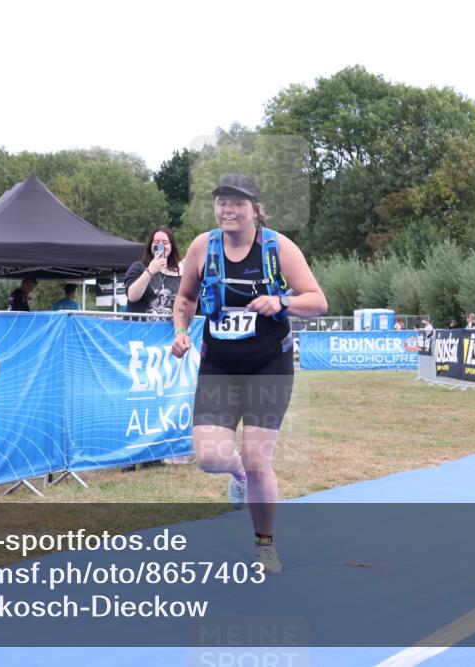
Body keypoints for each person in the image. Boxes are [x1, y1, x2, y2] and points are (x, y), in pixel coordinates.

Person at [171, 174, 328, 574]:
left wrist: (282, 302)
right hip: (219, 366)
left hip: (268, 366)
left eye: (237, 203)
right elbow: (186, 298)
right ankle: (238, 473)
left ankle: (264, 544)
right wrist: (180, 332)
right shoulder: (202, 247)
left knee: (259, 460)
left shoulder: (278, 248)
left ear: (255, 209)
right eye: (221, 202)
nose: (228, 210)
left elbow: (318, 301)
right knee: (209, 458)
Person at [125, 226, 182, 318]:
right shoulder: (138, 267)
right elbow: (132, 296)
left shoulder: (180, 272)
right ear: (151, 246)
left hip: (168, 326)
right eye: (156, 242)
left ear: (171, 247)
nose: (160, 246)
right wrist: (150, 271)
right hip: (141, 325)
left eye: (165, 242)